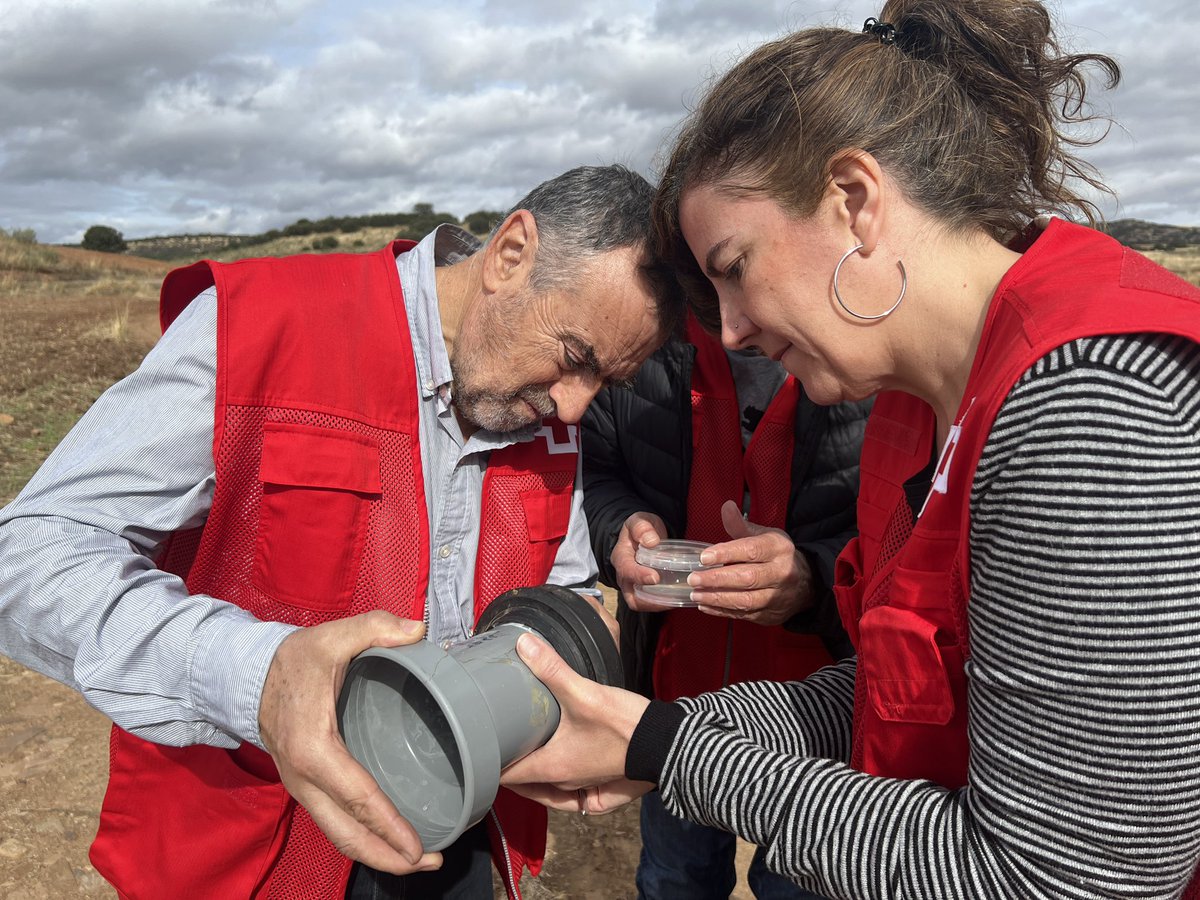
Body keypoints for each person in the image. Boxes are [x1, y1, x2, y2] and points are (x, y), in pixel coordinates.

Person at [500, 3, 1200, 897]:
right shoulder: (912, 409)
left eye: (736, 267)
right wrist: (648, 729)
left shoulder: (1095, 402)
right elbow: (894, 696)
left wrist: (667, 752)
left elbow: (1069, 874)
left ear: (855, 201)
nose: (732, 330)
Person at [0, 164, 683, 900]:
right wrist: (259, 677)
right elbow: (31, 554)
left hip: (458, 827)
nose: (574, 408)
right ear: (511, 253)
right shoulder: (258, 325)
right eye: (576, 357)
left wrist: (577, 646)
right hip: (250, 851)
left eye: (603, 383)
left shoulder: (540, 405)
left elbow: (563, 583)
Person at [581, 310, 866, 900]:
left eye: (738, 269)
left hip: (818, 724)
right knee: (675, 877)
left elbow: (906, 530)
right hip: (676, 697)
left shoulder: (869, 360)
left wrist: (812, 577)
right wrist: (619, 533)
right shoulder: (638, 340)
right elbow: (597, 471)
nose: (734, 325)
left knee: (798, 886)